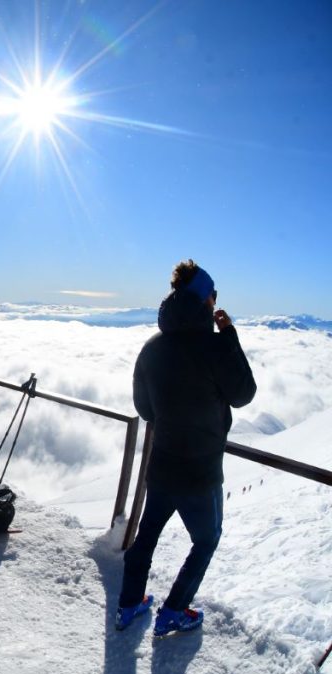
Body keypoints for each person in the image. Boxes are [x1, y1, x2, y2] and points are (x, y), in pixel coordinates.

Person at [115, 260, 256, 636]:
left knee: (146, 537)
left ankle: (128, 606)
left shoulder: (152, 347)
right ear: (207, 301)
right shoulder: (214, 347)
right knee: (207, 539)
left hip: (161, 465)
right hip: (201, 472)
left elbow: (144, 410)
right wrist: (230, 337)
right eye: (214, 295)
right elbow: (244, 394)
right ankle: (174, 610)